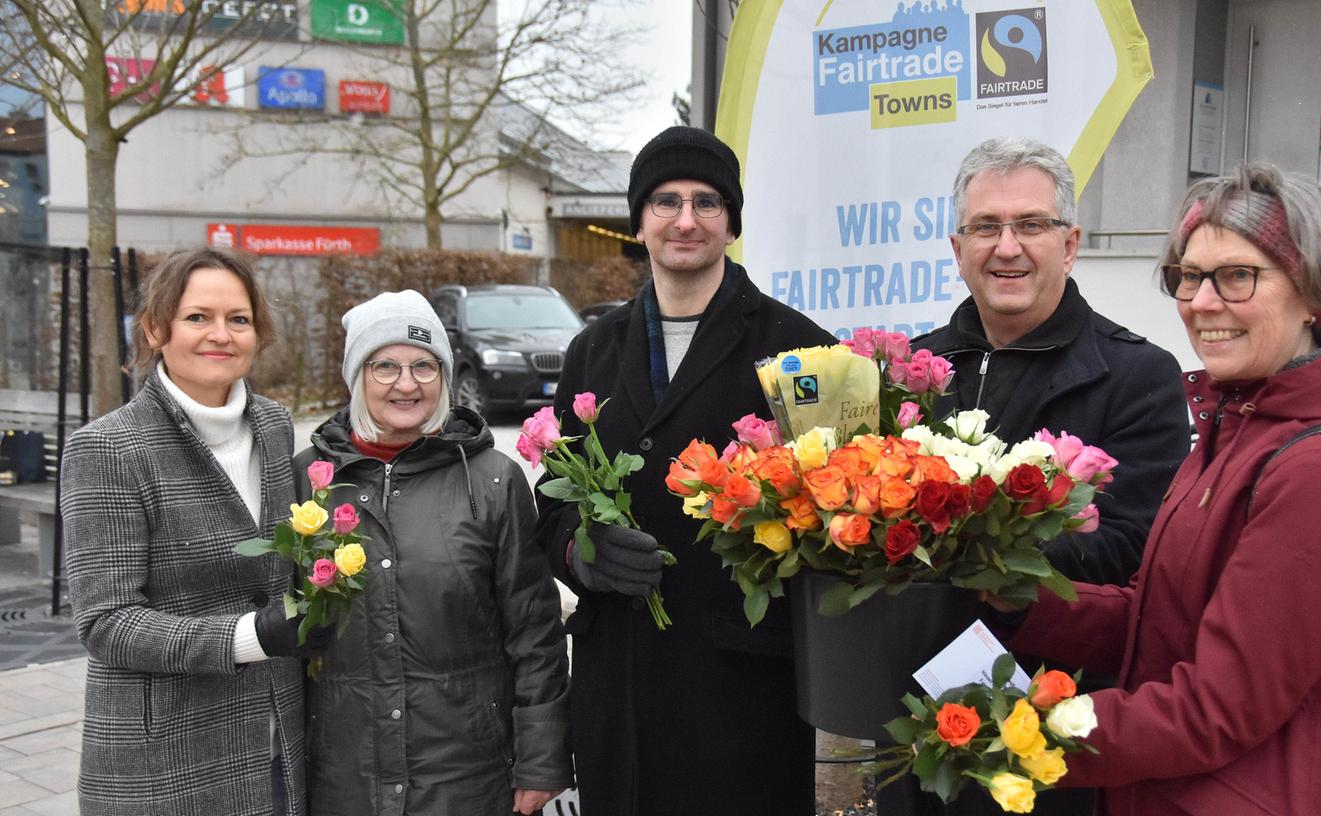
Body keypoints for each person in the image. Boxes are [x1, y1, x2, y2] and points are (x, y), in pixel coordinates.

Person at [996, 163, 1321, 813]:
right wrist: (1020, 604)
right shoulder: (1240, 425)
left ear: (1314, 294)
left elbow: (1219, 706)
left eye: (1237, 275)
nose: (1201, 303)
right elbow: (1164, 624)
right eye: (1187, 275)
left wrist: (1017, 739)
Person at [531, 126, 836, 815]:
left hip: (741, 685)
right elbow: (549, 506)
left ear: (730, 222)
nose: (685, 220)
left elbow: (837, 513)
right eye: (665, 202)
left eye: (707, 202)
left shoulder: (798, 349)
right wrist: (584, 552)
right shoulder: (591, 352)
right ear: (638, 221)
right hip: (622, 677)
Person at [898, 137, 1190, 815]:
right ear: (956, 247)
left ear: (1069, 243)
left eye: (1030, 224)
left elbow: (1136, 550)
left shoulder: (1136, 376)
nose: (1006, 247)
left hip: (1057, 721)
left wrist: (981, 551)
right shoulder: (911, 371)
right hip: (918, 714)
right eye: (984, 227)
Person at [61, 248, 327, 816]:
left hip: (276, 739)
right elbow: (105, 622)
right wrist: (251, 636)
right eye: (198, 317)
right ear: (156, 328)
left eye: (239, 319)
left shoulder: (275, 425)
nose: (221, 335)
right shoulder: (109, 448)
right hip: (166, 756)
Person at [298, 290, 571, 816]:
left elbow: (534, 630)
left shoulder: (492, 480)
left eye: (424, 366)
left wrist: (541, 761)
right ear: (357, 375)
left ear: (445, 376)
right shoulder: (308, 479)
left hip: (468, 774)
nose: (406, 384)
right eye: (385, 366)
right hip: (344, 772)